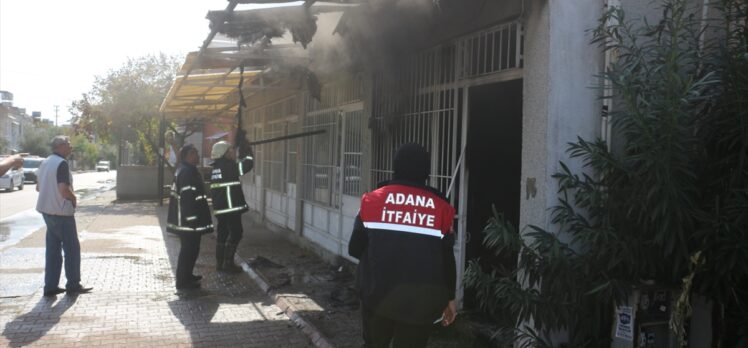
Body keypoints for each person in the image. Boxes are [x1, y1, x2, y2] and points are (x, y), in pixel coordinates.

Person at [348, 143, 457, 348]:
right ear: (426, 172)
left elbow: (354, 248)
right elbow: (447, 261)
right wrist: (449, 298)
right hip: (420, 305)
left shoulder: (372, 201)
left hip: (376, 297)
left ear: (395, 167)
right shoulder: (442, 208)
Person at [35, 136, 92, 297]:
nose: (71, 147)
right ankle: (73, 284)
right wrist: (73, 199)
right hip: (61, 212)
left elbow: (39, 188)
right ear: (60, 146)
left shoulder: (45, 162)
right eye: (69, 144)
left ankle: (50, 286)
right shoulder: (61, 163)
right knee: (72, 248)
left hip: (47, 212)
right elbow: (63, 189)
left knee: (53, 250)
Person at [166, 144, 214, 290]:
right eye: (194, 153)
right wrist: (192, 220)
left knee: (192, 250)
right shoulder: (187, 172)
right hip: (188, 222)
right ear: (187, 156)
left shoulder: (188, 170)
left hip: (188, 221)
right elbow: (187, 199)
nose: (197, 155)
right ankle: (182, 282)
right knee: (188, 250)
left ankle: (187, 276)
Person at [209, 140, 254, 273]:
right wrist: (248, 152)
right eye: (230, 150)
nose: (233, 152)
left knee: (222, 234)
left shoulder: (216, 168)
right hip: (230, 208)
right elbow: (247, 165)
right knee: (236, 233)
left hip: (221, 209)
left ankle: (220, 264)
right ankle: (228, 264)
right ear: (224, 153)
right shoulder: (228, 166)